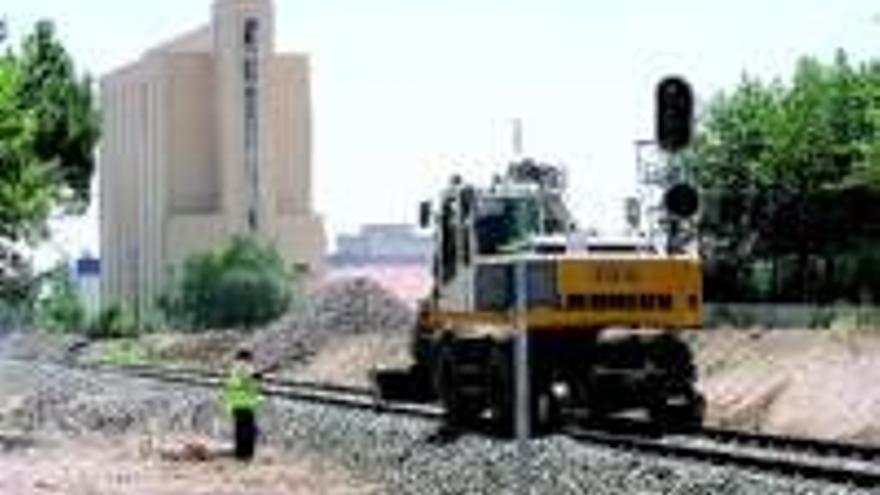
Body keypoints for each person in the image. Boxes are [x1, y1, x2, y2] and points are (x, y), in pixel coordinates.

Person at [222, 348, 264, 461]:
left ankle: (239, 454)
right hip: (246, 405)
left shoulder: (233, 370)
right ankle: (246, 456)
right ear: (247, 358)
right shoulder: (244, 368)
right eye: (250, 359)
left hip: (235, 405)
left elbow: (238, 383)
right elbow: (249, 378)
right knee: (248, 432)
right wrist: (257, 377)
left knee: (239, 431)